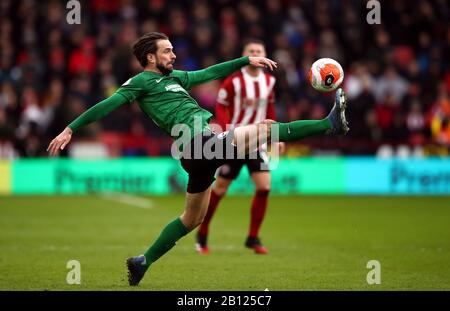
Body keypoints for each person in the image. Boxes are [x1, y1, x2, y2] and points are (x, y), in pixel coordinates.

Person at [47, 32, 349, 286]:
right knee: (266, 129)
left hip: (198, 152)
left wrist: (245, 60)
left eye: (173, 50)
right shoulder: (139, 82)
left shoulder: (175, 78)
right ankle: (328, 124)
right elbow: (107, 104)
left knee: (192, 219)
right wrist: (70, 128)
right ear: (150, 58)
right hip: (196, 144)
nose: (174, 55)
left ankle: (142, 262)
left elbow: (209, 74)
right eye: (167, 51)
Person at [196, 39, 283, 255]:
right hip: (235, 141)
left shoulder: (268, 82)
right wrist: (230, 132)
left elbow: (270, 111)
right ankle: (203, 232)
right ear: (246, 54)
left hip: (256, 143)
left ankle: (253, 237)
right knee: (220, 189)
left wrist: (275, 138)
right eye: (251, 50)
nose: (255, 53)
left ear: (264, 54)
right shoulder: (234, 81)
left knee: (264, 187)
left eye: (258, 50)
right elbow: (221, 107)